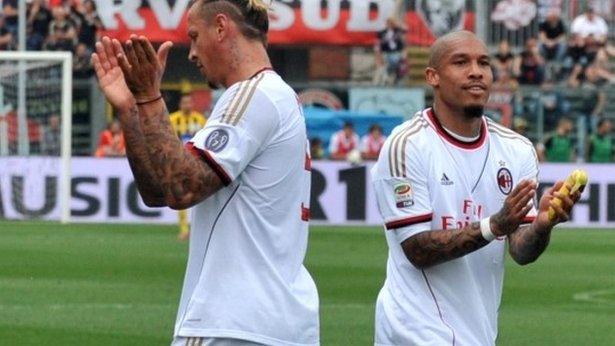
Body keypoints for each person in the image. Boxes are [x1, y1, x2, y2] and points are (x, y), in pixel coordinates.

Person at [90, 0, 319, 345]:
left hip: (231, 322)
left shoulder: (252, 95)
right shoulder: (275, 96)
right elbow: (158, 192)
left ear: (222, 27)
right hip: (272, 323)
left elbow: (182, 188)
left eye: (195, 36)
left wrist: (151, 98)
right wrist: (129, 109)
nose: (193, 52)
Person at [370, 31, 583, 346]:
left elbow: (521, 251)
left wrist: (542, 225)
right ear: (433, 77)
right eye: (461, 62)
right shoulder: (407, 145)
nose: (476, 71)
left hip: (478, 334)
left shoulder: (517, 149)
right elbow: (416, 249)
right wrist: (495, 225)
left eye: (484, 62)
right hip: (413, 332)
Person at [169, 93, 207, 241]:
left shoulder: (200, 120)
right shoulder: (172, 120)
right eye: (184, 103)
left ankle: (199, 228)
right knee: (181, 194)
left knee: (201, 194)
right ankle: (184, 229)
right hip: (179, 161)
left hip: (197, 162)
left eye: (189, 103)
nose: (187, 105)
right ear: (180, 104)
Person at [373, 17, 408, 85]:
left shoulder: (398, 31)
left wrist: (398, 24)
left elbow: (406, 29)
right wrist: (378, 54)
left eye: (391, 23)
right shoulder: (382, 32)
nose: (389, 24)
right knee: (385, 66)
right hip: (386, 52)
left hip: (397, 52)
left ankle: (396, 80)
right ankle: (387, 79)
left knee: (398, 65)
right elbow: (378, 44)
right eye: (388, 23)